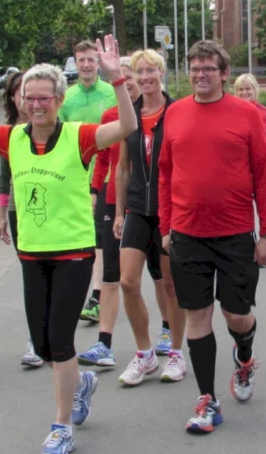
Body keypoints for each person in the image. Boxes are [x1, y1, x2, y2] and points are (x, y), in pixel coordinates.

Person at [0, 36, 137, 454]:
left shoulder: (79, 136)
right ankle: (82, 382)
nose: (37, 105)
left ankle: (62, 425)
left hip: (74, 253)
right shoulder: (11, 138)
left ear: (59, 99)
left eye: (45, 98)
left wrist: (116, 77)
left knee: (62, 342)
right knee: (45, 347)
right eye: (30, 98)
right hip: (31, 255)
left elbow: (126, 126)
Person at [158, 40, 266, 434]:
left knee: (236, 315)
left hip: (235, 234)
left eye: (208, 67)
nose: (200, 73)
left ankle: (244, 356)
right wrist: (164, 226)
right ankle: (207, 399)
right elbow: (164, 173)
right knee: (197, 315)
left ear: (224, 73)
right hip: (188, 234)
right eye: (194, 67)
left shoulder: (246, 115)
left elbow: (263, 174)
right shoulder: (173, 114)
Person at [77, 57, 170, 369]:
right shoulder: (114, 116)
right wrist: (101, 197)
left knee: (162, 278)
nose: (135, 81)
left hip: (162, 207)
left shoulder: (170, 112)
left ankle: (169, 334)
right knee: (117, 276)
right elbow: (111, 164)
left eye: (139, 74)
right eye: (129, 76)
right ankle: (108, 344)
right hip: (124, 203)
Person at [110, 49, 190, 385]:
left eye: (150, 71)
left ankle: (175, 352)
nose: (144, 78)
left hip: (170, 211)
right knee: (127, 282)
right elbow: (123, 166)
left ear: (161, 73)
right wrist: (118, 212)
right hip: (137, 209)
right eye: (138, 72)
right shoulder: (129, 115)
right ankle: (144, 355)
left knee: (171, 286)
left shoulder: (178, 112)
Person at [60, 40, 118, 325]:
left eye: (90, 60)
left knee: (97, 239)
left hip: (105, 177)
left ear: (98, 62)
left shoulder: (110, 93)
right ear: (75, 62)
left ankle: (96, 296)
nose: (85, 64)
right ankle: (80, 293)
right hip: (74, 180)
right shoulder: (66, 98)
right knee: (77, 239)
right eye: (81, 59)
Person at [0, 70, 50, 368]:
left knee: (50, 272)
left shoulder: (49, 125)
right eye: (17, 94)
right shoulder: (10, 133)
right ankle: (36, 336)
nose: (23, 99)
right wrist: (2, 214)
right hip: (19, 210)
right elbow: (4, 179)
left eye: (26, 93)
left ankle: (49, 333)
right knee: (31, 274)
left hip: (48, 209)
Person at [234, 73, 266, 148]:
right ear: (236, 92)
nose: (244, 92)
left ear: (255, 89)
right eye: (240, 89)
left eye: (248, 88)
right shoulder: (230, 112)